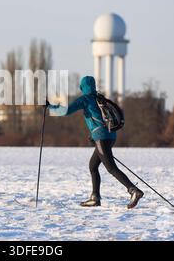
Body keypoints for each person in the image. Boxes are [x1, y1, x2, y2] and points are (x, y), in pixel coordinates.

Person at [48, 76, 144, 209]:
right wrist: (94, 135)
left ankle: (133, 191)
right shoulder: (99, 98)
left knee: (111, 168)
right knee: (93, 166)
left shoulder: (85, 99)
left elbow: (66, 111)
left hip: (102, 137)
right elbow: (99, 119)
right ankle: (95, 197)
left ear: (82, 87)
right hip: (110, 136)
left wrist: (50, 106)